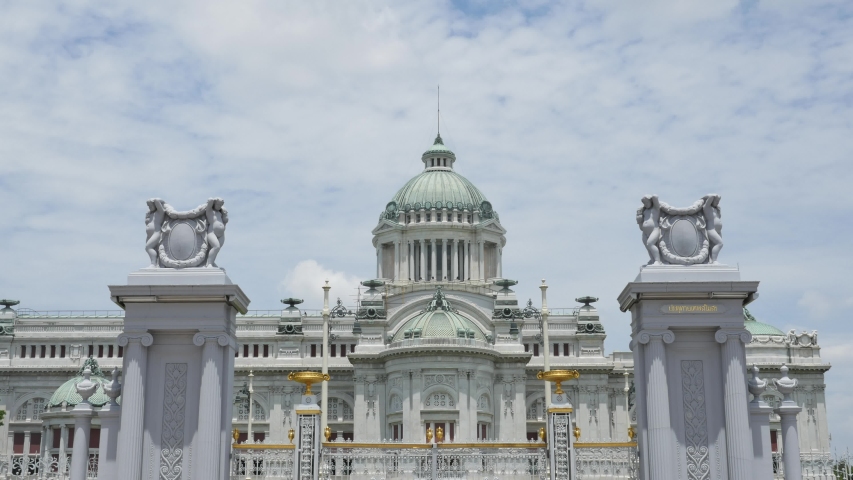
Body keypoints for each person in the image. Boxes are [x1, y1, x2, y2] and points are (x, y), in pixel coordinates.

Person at [638, 194, 662, 265]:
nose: (645, 204)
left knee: (650, 244)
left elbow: (655, 197)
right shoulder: (644, 211)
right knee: (648, 247)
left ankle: (658, 261)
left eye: (647, 202)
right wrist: (639, 221)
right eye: (644, 203)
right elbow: (641, 226)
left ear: (651, 201)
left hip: (654, 229)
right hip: (645, 232)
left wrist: (648, 197)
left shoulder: (655, 208)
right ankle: (652, 260)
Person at [205, 197, 228, 268]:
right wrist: (214, 200)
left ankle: (212, 262)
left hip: (221, 234)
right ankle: (209, 264)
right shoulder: (210, 211)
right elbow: (210, 201)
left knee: (217, 250)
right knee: (216, 246)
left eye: (220, 205)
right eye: (218, 205)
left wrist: (224, 213)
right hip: (212, 232)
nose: (219, 207)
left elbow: (225, 220)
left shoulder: (220, 213)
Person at [144, 198, 165, 267]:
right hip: (150, 235)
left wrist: (153, 200)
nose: (149, 207)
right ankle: (156, 263)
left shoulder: (159, 212)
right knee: (153, 249)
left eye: (150, 206)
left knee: (148, 247)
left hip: (156, 233)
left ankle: (153, 263)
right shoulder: (151, 214)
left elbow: (158, 201)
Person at [703, 194, 723, 264]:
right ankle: (714, 261)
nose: (717, 202)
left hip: (718, 231)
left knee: (713, 246)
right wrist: (714, 195)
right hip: (711, 229)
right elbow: (710, 197)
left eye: (718, 201)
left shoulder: (716, 209)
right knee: (719, 243)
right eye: (716, 201)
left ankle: (711, 261)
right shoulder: (707, 207)